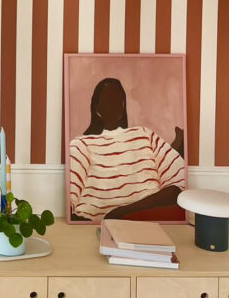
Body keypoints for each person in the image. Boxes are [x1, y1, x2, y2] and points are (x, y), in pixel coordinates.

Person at [69, 77, 186, 222]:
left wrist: (122, 212)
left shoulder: (144, 134)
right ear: (97, 107)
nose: (115, 105)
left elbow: (177, 186)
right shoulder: (81, 145)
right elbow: (70, 201)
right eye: (108, 100)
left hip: (148, 218)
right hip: (99, 224)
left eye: (119, 99)